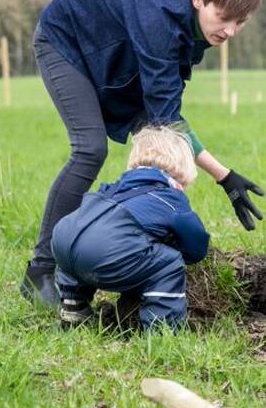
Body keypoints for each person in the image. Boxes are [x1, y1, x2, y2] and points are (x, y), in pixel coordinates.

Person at [22, 0, 266, 307]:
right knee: (90, 148)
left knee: (155, 126)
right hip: (66, 42)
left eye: (240, 23)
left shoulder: (189, 21)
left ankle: (141, 261)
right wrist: (212, 179)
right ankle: (40, 271)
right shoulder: (160, 15)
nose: (229, 31)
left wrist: (225, 176)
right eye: (223, 18)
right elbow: (165, 120)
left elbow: (166, 114)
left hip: (116, 54)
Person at [51, 126, 210, 329]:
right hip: (107, 255)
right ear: (181, 172)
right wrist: (179, 249)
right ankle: (163, 327)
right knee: (169, 262)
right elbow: (197, 245)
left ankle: (74, 307)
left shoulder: (114, 188)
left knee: (85, 244)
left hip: (63, 243)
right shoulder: (170, 198)